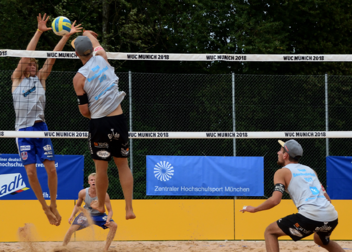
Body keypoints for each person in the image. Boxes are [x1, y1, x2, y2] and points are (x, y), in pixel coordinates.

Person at [11, 13, 82, 226]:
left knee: (51, 169)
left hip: (41, 128)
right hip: (23, 131)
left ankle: (53, 204)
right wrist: (39, 31)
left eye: (35, 64)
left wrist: (66, 36)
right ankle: (44, 207)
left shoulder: (41, 78)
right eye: (30, 64)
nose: (32, 66)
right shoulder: (16, 79)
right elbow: (26, 54)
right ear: (24, 67)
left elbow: (53, 56)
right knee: (31, 172)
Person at [72, 31, 136, 220]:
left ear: (77, 54)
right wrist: (86, 33)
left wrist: (97, 115)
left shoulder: (79, 78)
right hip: (118, 119)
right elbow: (96, 42)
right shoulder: (102, 58)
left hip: (99, 123)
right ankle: (129, 209)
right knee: (123, 165)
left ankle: (100, 204)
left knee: (101, 169)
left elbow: (84, 111)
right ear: (92, 50)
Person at [240, 139, 344, 252]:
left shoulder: (281, 172)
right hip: (332, 217)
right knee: (321, 240)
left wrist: (254, 209)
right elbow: (327, 199)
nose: (278, 153)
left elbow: (275, 200)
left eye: (280, 150)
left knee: (270, 232)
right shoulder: (310, 170)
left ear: (285, 155)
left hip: (310, 217)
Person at [63, 173, 117, 251]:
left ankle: (105, 249)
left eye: (95, 180)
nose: (93, 181)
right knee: (71, 229)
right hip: (86, 214)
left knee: (114, 226)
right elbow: (77, 206)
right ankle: (63, 247)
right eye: (91, 180)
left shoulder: (104, 194)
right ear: (89, 182)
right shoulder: (83, 192)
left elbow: (110, 211)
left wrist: (108, 220)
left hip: (99, 214)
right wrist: (72, 216)